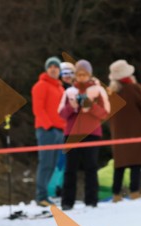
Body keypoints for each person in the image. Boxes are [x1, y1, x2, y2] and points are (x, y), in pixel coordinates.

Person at [58, 60, 110, 210]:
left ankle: (91, 200)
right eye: (79, 74)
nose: (81, 77)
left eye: (84, 74)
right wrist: (73, 107)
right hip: (72, 134)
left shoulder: (98, 90)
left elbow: (105, 112)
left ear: (89, 75)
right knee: (70, 169)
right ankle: (67, 202)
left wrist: (91, 106)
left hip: (92, 133)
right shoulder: (69, 92)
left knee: (91, 167)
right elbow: (61, 113)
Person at [107, 59, 141, 201]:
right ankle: (134, 191)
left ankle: (116, 194)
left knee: (120, 164)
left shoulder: (111, 92)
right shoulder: (134, 88)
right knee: (135, 163)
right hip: (135, 131)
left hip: (118, 134)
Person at [32, 57, 67, 207]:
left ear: (59, 70)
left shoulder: (60, 88)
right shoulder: (41, 86)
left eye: (56, 67)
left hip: (59, 131)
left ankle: (45, 194)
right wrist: (49, 127)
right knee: (46, 163)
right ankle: (41, 196)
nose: (53, 69)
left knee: (52, 165)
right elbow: (38, 109)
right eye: (50, 66)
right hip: (47, 131)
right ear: (47, 69)